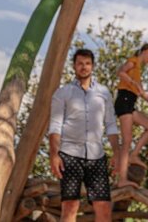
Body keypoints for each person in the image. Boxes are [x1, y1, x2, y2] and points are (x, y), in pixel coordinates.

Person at [48, 48, 120, 222]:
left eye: (87, 64)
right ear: (74, 66)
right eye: (80, 63)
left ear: (92, 66)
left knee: (103, 206)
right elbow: (55, 125)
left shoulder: (104, 93)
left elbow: (110, 124)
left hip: (97, 156)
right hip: (69, 155)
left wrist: (117, 153)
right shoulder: (62, 93)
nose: (84, 67)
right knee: (70, 205)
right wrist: (53, 155)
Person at [114, 42, 148, 187]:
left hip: (130, 102)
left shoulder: (138, 70)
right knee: (127, 141)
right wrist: (132, 82)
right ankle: (122, 179)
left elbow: (143, 94)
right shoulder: (134, 61)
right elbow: (121, 72)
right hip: (124, 100)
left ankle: (134, 155)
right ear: (146, 51)